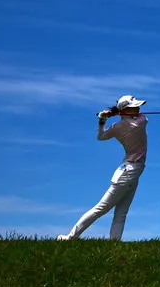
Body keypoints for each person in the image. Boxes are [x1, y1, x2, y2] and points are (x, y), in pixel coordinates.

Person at [58, 95, 149, 241]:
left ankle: (114, 243)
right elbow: (144, 118)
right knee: (101, 208)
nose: (138, 109)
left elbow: (101, 136)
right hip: (129, 172)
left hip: (131, 170)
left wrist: (103, 120)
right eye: (134, 107)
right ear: (126, 110)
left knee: (121, 213)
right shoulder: (138, 123)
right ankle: (70, 237)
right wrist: (116, 113)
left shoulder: (117, 127)